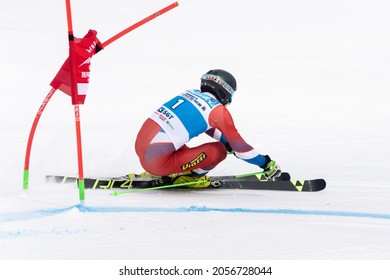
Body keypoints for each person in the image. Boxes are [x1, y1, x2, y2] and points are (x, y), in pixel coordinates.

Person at [135, 69, 281, 188]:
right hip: (155, 162)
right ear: (225, 91)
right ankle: (190, 178)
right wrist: (266, 163)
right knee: (218, 151)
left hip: (141, 148)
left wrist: (226, 140)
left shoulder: (189, 93)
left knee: (176, 138)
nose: (229, 101)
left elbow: (205, 125)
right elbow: (241, 149)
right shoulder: (217, 111)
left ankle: (171, 171)